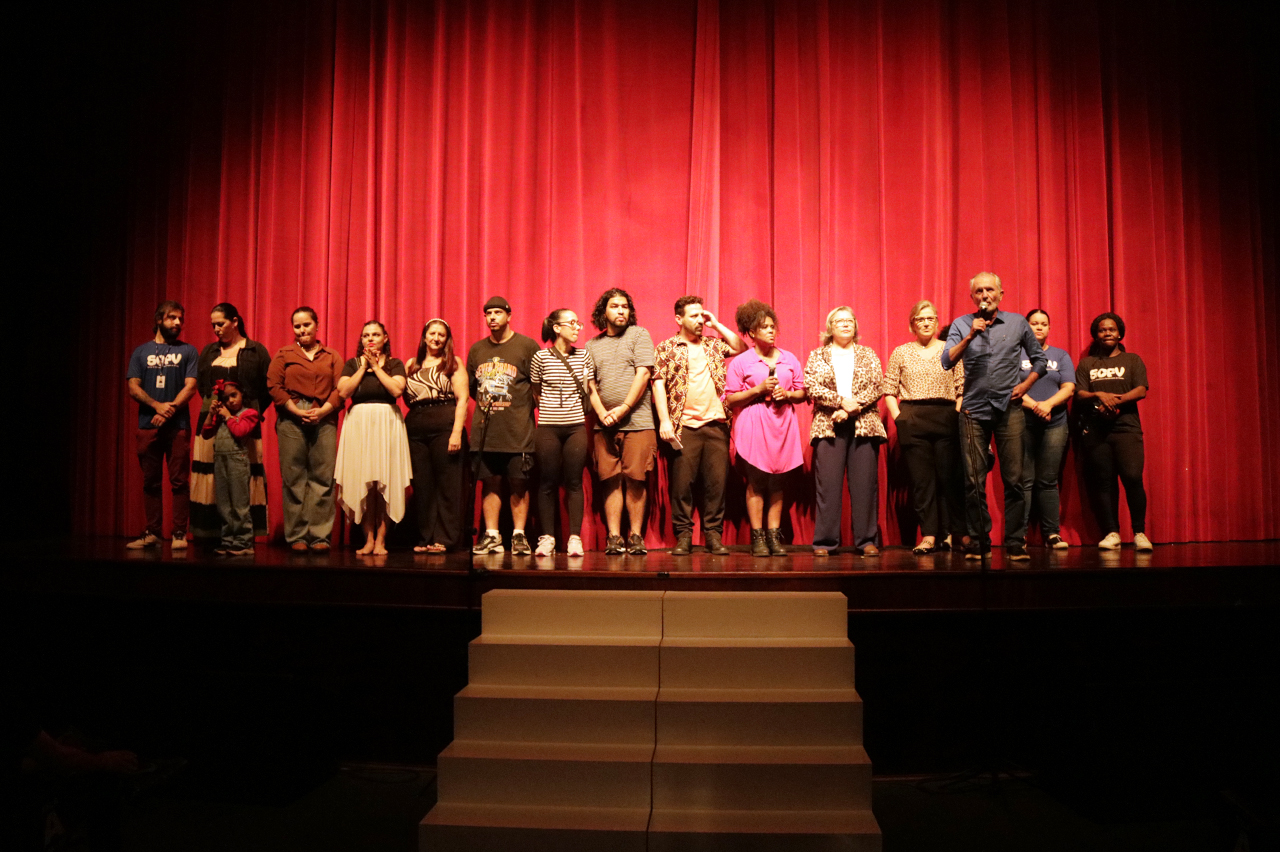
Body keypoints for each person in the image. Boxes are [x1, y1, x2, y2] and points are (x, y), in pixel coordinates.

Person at [942, 273, 1045, 561]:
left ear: (1001, 293)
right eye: (978, 291)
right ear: (972, 296)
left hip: (1009, 409)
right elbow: (946, 361)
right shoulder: (963, 324)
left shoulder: (1017, 323)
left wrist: (1025, 386)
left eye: (989, 290)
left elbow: (1039, 360)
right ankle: (978, 541)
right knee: (973, 480)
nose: (984, 295)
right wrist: (971, 335)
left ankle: (1014, 542)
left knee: (1013, 479)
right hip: (973, 411)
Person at [653, 295, 747, 555]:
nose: (699, 320)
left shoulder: (714, 345)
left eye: (701, 315)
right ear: (678, 319)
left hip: (716, 425)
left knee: (716, 484)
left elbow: (741, 348)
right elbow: (658, 384)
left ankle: (713, 536)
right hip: (684, 427)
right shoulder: (666, 347)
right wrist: (664, 421)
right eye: (693, 315)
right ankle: (683, 535)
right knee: (682, 486)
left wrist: (716, 324)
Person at [883, 300, 966, 554]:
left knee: (949, 480)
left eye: (930, 318)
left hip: (945, 415)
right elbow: (889, 390)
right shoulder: (901, 352)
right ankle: (929, 535)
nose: (926, 322)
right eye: (920, 319)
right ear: (912, 325)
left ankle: (955, 533)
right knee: (922, 482)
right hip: (913, 417)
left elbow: (961, 387)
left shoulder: (950, 349)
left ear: (937, 321)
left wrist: (955, 414)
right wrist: (900, 418)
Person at [725, 299, 805, 556]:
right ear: (751, 333)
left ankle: (774, 537)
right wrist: (758, 389)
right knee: (757, 482)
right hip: (754, 422)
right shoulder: (741, 362)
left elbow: (802, 392)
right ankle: (757, 538)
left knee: (778, 482)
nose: (771, 331)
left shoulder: (789, 358)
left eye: (773, 326)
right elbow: (730, 398)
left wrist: (788, 395)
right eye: (764, 327)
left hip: (782, 423)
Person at [805, 307, 886, 557]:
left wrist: (851, 409)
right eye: (839, 321)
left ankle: (866, 540)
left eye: (850, 320)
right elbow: (811, 386)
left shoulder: (868, 354)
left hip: (864, 425)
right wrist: (842, 402)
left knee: (864, 486)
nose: (845, 325)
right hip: (828, 426)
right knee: (828, 487)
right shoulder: (817, 355)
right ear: (830, 327)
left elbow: (877, 386)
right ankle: (825, 541)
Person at [191, 303, 272, 544]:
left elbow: (266, 388)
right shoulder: (209, 351)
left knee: (240, 474)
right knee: (212, 474)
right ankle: (214, 533)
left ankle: (243, 535)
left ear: (235, 321)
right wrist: (213, 410)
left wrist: (249, 413)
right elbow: (202, 386)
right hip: (212, 419)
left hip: (243, 421)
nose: (216, 329)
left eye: (221, 324)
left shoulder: (255, 350)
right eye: (213, 325)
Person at [585, 288, 657, 555]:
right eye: (615, 306)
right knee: (610, 480)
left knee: (636, 480)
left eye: (625, 306)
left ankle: (635, 536)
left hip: (637, 422)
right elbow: (590, 385)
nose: (621, 311)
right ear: (603, 311)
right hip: (603, 425)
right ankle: (614, 537)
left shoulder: (639, 335)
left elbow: (643, 374)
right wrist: (602, 412)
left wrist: (624, 408)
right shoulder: (592, 345)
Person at [467, 296, 540, 556]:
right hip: (486, 432)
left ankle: (519, 536)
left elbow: (537, 386)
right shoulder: (477, 350)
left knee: (519, 484)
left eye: (498, 312)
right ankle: (492, 536)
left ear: (509, 315)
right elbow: (472, 389)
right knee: (490, 483)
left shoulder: (527, 346)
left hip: (517, 431)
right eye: (488, 314)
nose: (493, 317)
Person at [266, 307, 343, 552]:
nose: (302, 330)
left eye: (307, 324)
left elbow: (341, 388)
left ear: (317, 325)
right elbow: (274, 385)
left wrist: (322, 411)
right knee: (294, 478)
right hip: (291, 419)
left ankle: (320, 536)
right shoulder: (283, 354)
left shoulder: (331, 355)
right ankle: (297, 535)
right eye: (297, 326)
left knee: (323, 477)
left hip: (325, 417)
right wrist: (296, 410)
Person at [125, 300, 198, 550]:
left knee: (179, 482)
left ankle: (179, 533)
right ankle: (152, 533)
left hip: (178, 425)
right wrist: (157, 406)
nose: (178, 323)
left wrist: (169, 411)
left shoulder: (188, 351)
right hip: (148, 425)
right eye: (172, 318)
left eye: (180, 319)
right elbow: (133, 386)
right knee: (151, 482)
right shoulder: (141, 352)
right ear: (159, 320)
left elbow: (191, 386)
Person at [334, 321, 412, 556]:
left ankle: (381, 539)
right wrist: (363, 367)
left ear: (385, 338)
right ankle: (368, 538)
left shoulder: (395, 364)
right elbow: (344, 392)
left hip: (387, 424)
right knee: (364, 484)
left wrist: (376, 368)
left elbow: (397, 390)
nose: (370, 338)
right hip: (359, 424)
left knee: (385, 483)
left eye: (376, 334)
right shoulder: (352, 364)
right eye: (366, 335)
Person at [1075, 312, 1151, 551]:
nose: (1107, 333)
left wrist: (1114, 402)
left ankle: (1139, 533)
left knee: (1132, 477)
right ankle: (1112, 532)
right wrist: (1099, 395)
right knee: (1104, 483)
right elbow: (1080, 393)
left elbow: (1140, 390)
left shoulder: (1132, 360)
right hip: (1097, 431)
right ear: (1095, 335)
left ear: (1120, 333)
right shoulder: (1087, 363)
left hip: (1126, 429)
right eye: (1102, 330)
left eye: (1111, 329)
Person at [531, 309, 596, 557]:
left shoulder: (584, 357)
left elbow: (590, 388)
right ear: (556, 328)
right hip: (547, 426)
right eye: (572, 323)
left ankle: (575, 538)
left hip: (575, 427)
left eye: (578, 323)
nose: (577, 327)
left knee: (574, 482)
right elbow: (536, 391)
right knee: (547, 482)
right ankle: (547, 538)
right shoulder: (541, 357)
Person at [404, 319, 469, 553]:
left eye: (441, 335)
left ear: (447, 339)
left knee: (448, 485)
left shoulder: (453, 363)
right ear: (424, 337)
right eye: (432, 333)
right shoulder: (411, 364)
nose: (436, 338)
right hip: (415, 428)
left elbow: (462, 399)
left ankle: (445, 538)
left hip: (445, 424)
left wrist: (456, 433)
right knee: (422, 486)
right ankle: (426, 538)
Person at [1019, 309, 1076, 549]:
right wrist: (1035, 406)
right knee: (1024, 480)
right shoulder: (1015, 354)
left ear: (1050, 328)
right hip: (1023, 422)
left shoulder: (1060, 356)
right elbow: (1012, 387)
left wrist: (1048, 404)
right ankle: (1017, 535)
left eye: (1043, 324)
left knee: (1048, 480)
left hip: (1056, 423)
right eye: (1034, 323)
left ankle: (1052, 534)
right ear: (1026, 327)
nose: (1039, 327)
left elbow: (1069, 387)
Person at [200, 380, 261, 556]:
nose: (231, 401)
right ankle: (228, 540)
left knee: (239, 503)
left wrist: (227, 416)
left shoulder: (249, 413)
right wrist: (211, 414)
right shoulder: (220, 416)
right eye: (226, 398)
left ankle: (243, 541)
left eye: (234, 395)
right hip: (220, 461)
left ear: (242, 394)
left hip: (238, 461)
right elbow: (205, 433)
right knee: (224, 504)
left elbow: (240, 431)